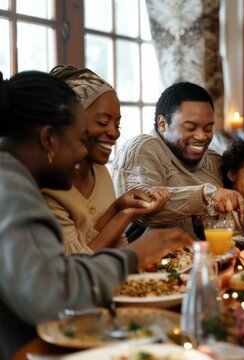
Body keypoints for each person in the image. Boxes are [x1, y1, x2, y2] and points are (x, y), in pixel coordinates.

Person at [0, 70, 192, 359]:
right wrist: (134, 256)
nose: (82, 154)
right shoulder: (12, 188)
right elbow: (51, 293)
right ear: (49, 139)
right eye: (79, 140)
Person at [42, 65, 170, 254]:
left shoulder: (99, 172)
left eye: (117, 124)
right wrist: (124, 214)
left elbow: (97, 241)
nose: (114, 133)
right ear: (70, 122)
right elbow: (77, 265)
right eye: (102, 122)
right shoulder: (48, 187)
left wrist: (119, 207)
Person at [112, 81, 244, 240]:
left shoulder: (213, 159)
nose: (202, 136)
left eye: (208, 128)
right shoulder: (143, 148)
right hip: (157, 262)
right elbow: (140, 209)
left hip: (217, 258)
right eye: (190, 128)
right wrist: (205, 194)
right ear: (162, 125)